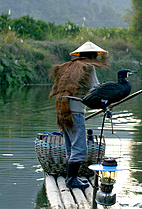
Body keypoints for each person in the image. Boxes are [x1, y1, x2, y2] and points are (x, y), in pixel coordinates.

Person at [49, 41, 109, 189]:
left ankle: (71, 178)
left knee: (71, 146)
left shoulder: (67, 67)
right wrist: (105, 105)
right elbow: (95, 90)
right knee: (80, 148)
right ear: (92, 55)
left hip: (61, 109)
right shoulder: (87, 68)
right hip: (75, 111)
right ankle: (71, 180)